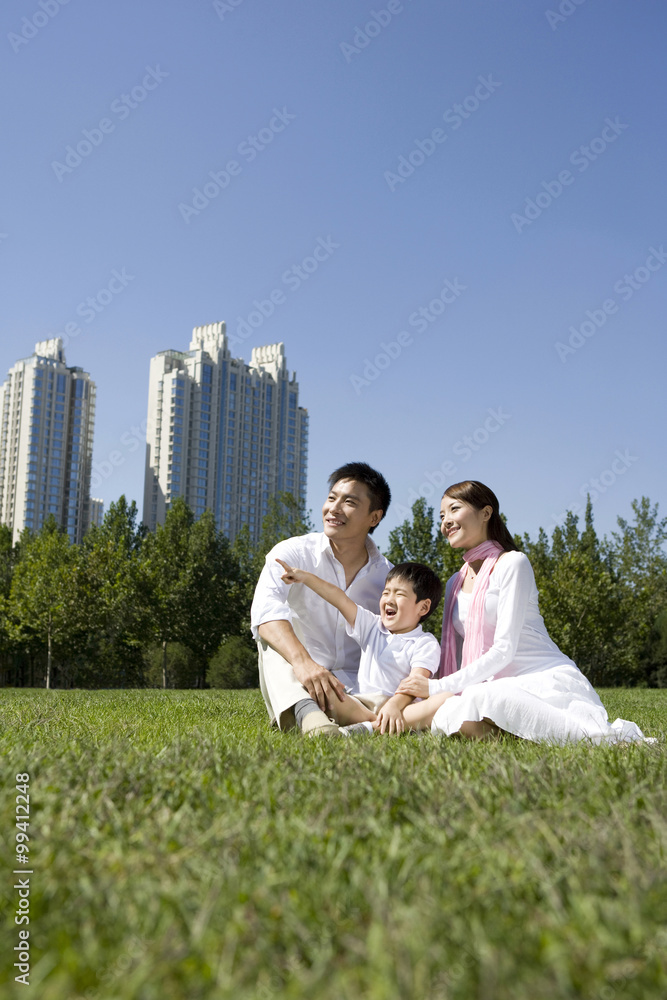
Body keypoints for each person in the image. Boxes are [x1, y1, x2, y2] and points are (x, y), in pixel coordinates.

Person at [395, 481, 650, 744]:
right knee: (449, 715)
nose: (445, 521)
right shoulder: (454, 583)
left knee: (473, 700)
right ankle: (522, 735)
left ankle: (537, 728)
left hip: (541, 680)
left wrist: (437, 688)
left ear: (486, 513)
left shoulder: (513, 564)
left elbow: (504, 649)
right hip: (491, 684)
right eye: (441, 516)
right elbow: (457, 652)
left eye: (454, 509)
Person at [250, 462, 392, 736]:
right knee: (271, 639)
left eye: (349, 502)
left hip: (358, 686)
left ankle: (361, 718)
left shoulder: (387, 576)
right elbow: (265, 613)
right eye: (331, 498)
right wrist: (304, 664)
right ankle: (310, 717)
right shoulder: (293, 552)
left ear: (374, 518)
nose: (334, 509)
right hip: (296, 677)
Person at [275, 559, 442, 733]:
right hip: (361, 704)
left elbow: (415, 683)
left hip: (401, 707)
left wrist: (393, 705)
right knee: (321, 689)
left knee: (444, 699)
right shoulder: (372, 625)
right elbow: (339, 598)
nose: (389, 600)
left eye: (399, 594)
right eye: (386, 593)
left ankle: (367, 728)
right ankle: (376, 725)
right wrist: (305, 577)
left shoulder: (426, 643)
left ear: (423, 607)